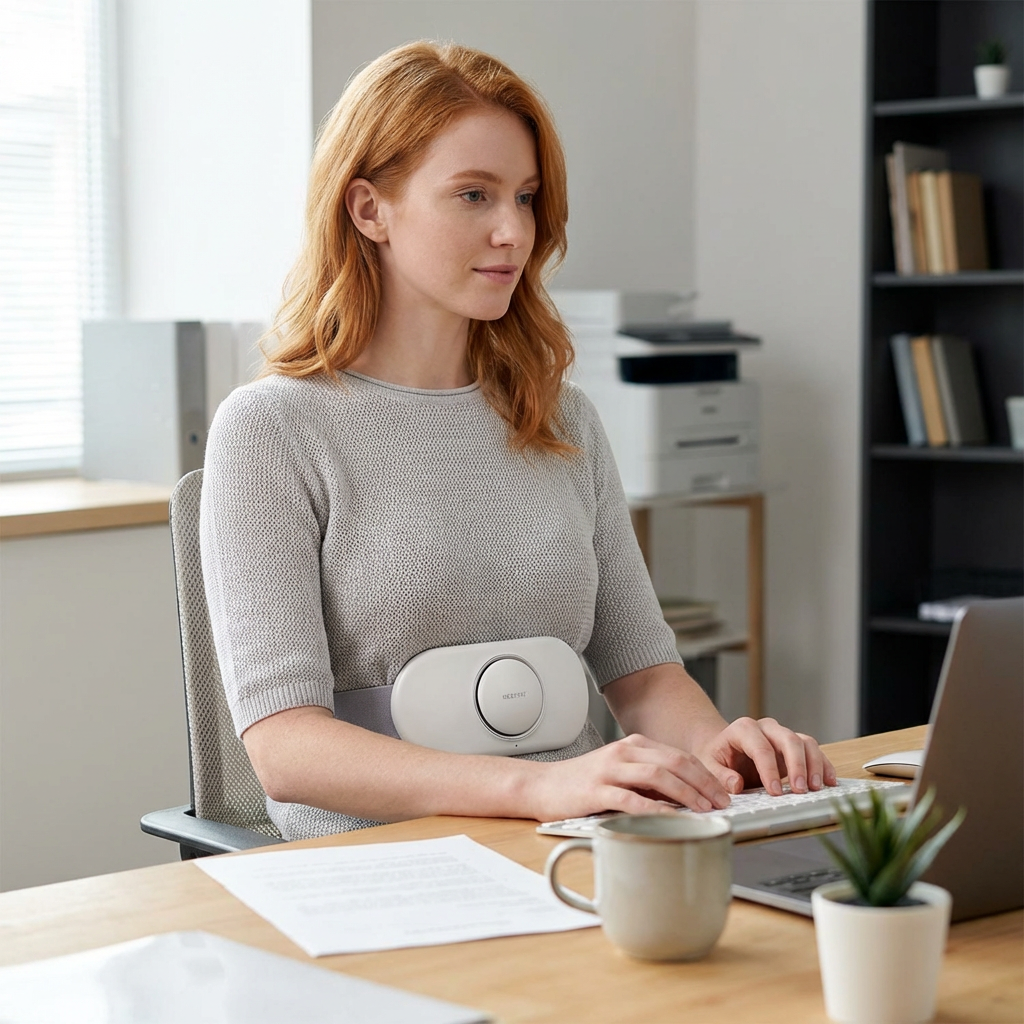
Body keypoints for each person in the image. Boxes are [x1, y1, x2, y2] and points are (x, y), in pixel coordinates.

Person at [200, 40, 836, 842]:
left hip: (573, 839)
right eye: (474, 195)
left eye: (527, 198)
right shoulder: (272, 430)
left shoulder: (561, 419)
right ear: (369, 210)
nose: (514, 231)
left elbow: (641, 674)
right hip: (376, 860)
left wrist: (719, 754)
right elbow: (288, 752)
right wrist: (537, 787)